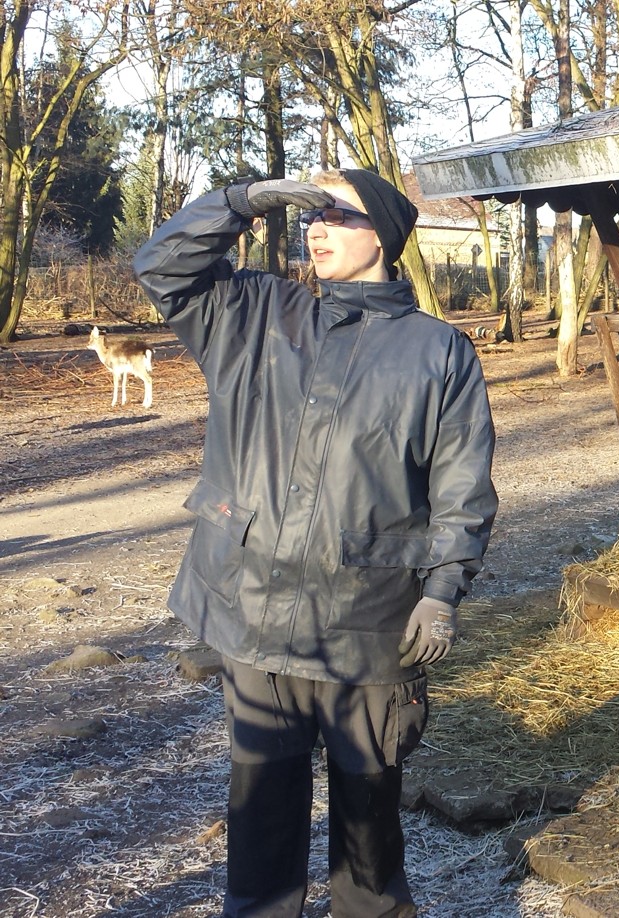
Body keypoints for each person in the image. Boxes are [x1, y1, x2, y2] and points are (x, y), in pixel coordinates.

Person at [134, 170, 499, 917]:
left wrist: (441, 591)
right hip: (255, 615)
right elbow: (161, 266)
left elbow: (462, 486)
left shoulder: (440, 355)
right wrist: (244, 202)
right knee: (263, 820)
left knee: (368, 828)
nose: (317, 227)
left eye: (340, 214)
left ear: (386, 238)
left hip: (368, 626)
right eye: (312, 214)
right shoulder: (255, 314)